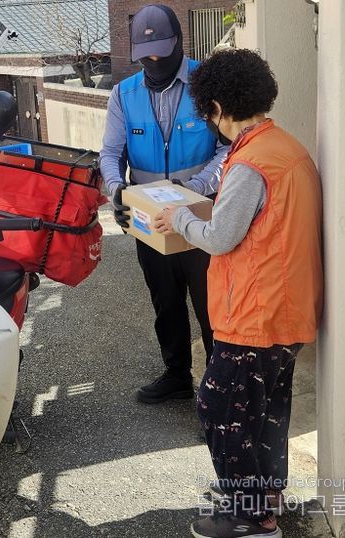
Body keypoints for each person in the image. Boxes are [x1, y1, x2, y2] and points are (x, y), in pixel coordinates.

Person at [154, 48, 323, 538]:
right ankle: (264, 494)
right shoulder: (285, 148)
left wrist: (180, 218)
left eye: (208, 113)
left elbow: (221, 237)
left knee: (219, 408)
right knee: (266, 410)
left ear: (217, 108)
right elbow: (261, 220)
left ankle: (250, 518)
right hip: (287, 309)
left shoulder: (249, 163)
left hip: (255, 313)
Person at [100, 4, 228, 404]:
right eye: (146, 55)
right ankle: (176, 376)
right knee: (165, 300)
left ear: (179, 42)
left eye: (162, 52)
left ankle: (219, 391)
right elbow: (110, 153)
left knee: (211, 306)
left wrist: (195, 189)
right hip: (150, 222)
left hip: (202, 218)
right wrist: (116, 190)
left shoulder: (207, 83)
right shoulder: (124, 95)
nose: (154, 61)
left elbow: (229, 148)